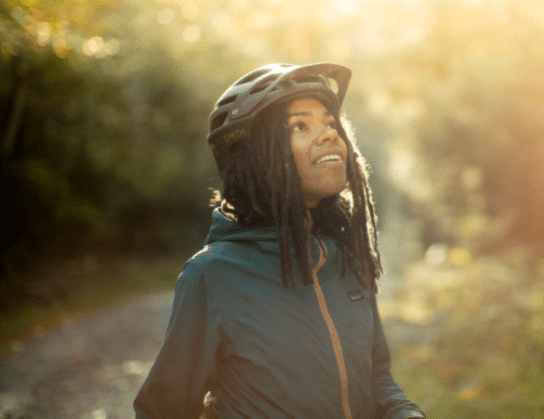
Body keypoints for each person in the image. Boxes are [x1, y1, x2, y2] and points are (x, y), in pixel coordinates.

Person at [133, 63, 426, 419]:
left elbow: (376, 376)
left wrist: (406, 414)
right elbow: (164, 410)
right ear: (256, 157)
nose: (329, 135)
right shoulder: (212, 274)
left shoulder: (347, 256)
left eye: (331, 123)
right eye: (300, 125)